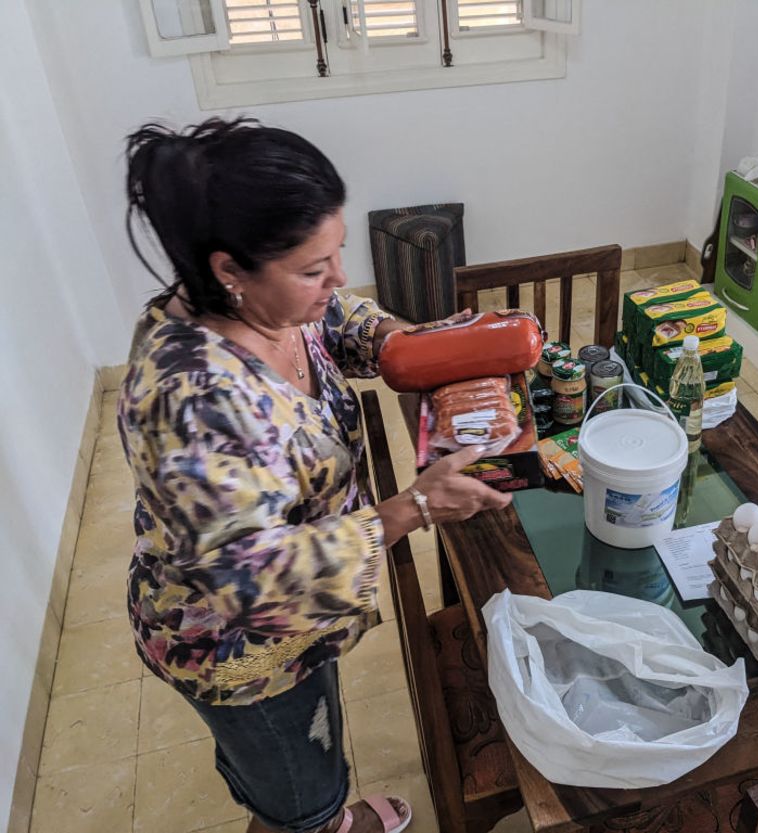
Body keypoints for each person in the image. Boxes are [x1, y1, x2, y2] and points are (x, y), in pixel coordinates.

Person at [118, 117, 511, 833]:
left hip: (295, 631)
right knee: (294, 790)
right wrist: (412, 508)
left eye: (336, 253)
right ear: (228, 269)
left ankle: (326, 817)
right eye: (312, 268)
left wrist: (407, 344)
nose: (337, 278)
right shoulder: (194, 400)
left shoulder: (259, 304)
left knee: (311, 754)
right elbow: (251, 580)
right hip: (235, 649)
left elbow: (337, 317)